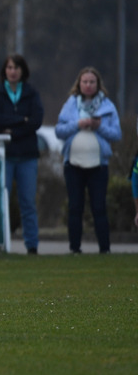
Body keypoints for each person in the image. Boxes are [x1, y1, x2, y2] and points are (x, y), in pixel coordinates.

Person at [55, 67, 122, 254]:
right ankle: (75, 248)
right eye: (85, 82)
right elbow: (59, 131)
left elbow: (116, 134)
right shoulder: (70, 104)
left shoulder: (107, 107)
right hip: (73, 165)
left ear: (98, 84)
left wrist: (98, 127)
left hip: (98, 165)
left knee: (99, 207)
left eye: (92, 82)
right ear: (79, 84)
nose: (88, 85)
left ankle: (105, 249)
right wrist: (77, 124)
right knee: (75, 207)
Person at [0, 54, 44, 255]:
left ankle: (32, 245)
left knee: (27, 202)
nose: (13, 71)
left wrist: (14, 130)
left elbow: (36, 120)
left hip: (27, 155)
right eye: (10, 67)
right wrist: (22, 120)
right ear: (5, 70)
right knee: (0, 200)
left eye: (17, 67)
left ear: (23, 71)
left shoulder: (31, 92)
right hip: (4, 154)